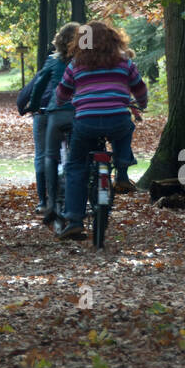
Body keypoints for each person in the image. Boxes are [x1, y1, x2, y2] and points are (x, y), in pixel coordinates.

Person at [51, 21, 147, 241]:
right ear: (113, 39)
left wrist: (62, 101)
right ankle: (122, 171)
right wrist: (141, 103)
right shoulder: (124, 62)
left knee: (76, 167)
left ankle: (75, 220)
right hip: (117, 119)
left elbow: (62, 93)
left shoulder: (76, 64)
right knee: (126, 127)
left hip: (86, 123)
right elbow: (139, 88)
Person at [26, 23, 80, 218]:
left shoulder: (53, 61)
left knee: (47, 155)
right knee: (78, 156)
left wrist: (33, 105)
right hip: (79, 112)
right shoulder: (85, 61)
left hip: (56, 111)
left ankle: (47, 201)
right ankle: (78, 198)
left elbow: (39, 84)